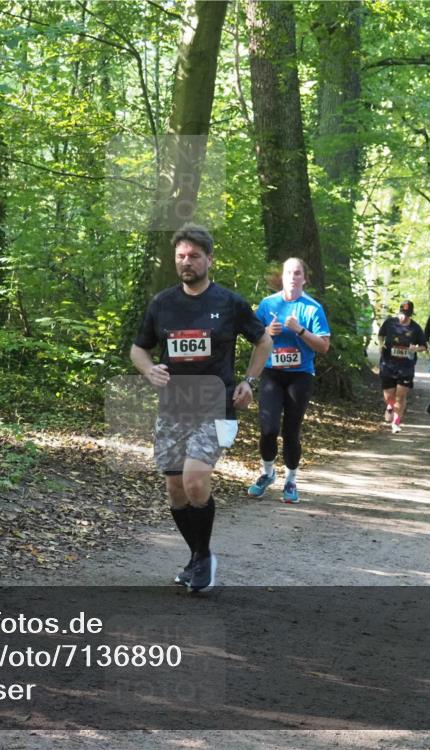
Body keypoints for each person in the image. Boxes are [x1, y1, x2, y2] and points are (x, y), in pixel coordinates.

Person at [131, 223, 272, 592]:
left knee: (195, 478)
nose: (187, 262)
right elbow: (138, 347)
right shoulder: (162, 303)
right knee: (176, 489)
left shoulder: (229, 303)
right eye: (181, 256)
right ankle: (197, 557)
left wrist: (249, 381)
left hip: (216, 405)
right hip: (173, 408)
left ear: (209, 259)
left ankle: (204, 558)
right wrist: (149, 369)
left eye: (194, 256)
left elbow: (263, 342)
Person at [246, 258, 331, 503]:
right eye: (288, 273)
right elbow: (252, 335)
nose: (292, 278)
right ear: (282, 277)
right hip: (272, 373)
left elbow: (324, 346)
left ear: (304, 278)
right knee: (268, 428)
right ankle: (267, 474)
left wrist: (300, 330)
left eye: (297, 274)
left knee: (291, 431)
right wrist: (265, 333)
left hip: (300, 375)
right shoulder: (267, 304)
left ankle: (291, 480)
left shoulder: (312, 308)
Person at [377, 301, 428, 433]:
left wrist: (416, 348)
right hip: (388, 364)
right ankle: (390, 405)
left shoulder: (416, 328)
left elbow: (424, 346)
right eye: (402, 314)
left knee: (400, 396)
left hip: (406, 366)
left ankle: (396, 422)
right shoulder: (389, 323)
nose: (403, 317)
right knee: (389, 396)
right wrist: (381, 345)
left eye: (406, 315)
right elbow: (381, 335)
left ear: (410, 315)